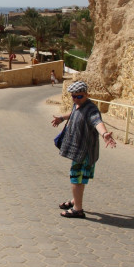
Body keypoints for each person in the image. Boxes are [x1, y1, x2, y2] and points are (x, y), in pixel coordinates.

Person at [51, 80, 116, 218]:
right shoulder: (78, 105)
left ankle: (77, 209)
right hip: (79, 150)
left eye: (79, 96)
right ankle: (75, 200)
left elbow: (97, 121)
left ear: (87, 94)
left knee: (76, 178)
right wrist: (61, 118)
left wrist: (104, 134)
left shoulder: (91, 109)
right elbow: (73, 113)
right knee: (80, 178)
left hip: (84, 152)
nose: (75, 99)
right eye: (73, 96)